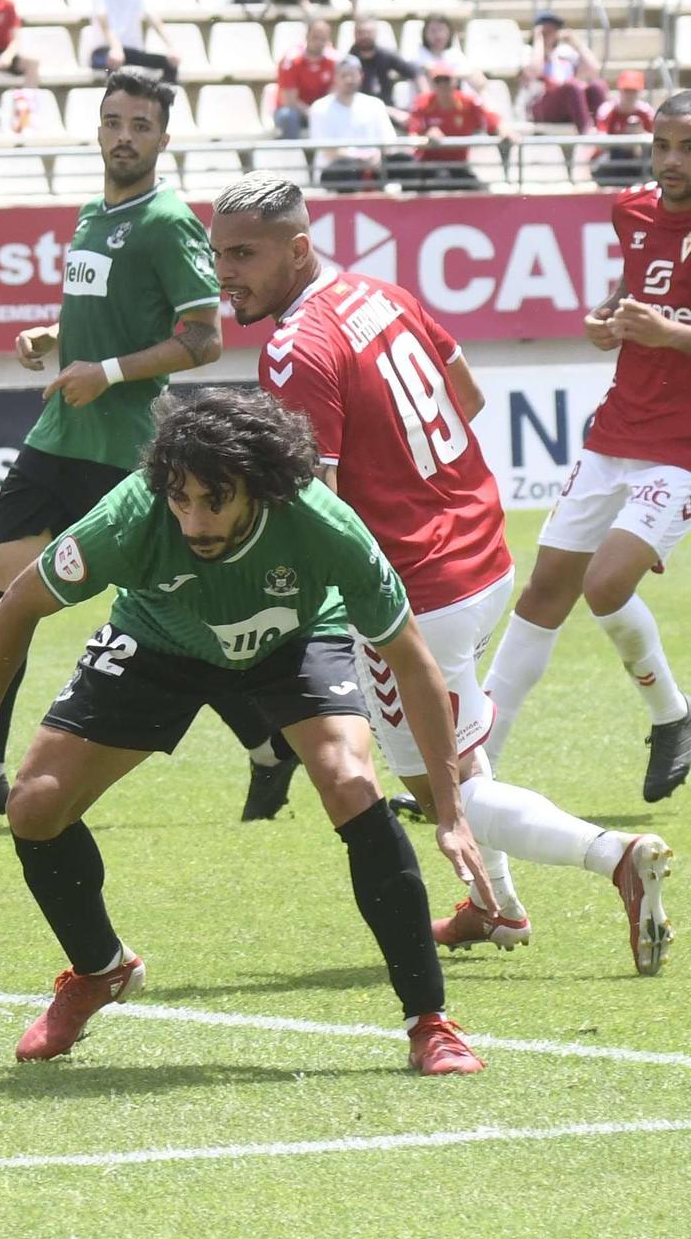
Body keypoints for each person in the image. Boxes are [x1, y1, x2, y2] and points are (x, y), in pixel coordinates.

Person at [0, 387, 489, 1074]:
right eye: (180, 499)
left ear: (262, 488)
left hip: (297, 635)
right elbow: (17, 605)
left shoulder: (321, 524)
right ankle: (100, 968)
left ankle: (429, 1021)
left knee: (349, 780)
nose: (194, 520)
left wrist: (452, 812)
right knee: (35, 804)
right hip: (161, 636)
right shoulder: (131, 515)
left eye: (214, 500)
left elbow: (413, 662)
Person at [212, 172, 674, 976]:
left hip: (416, 593)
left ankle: (616, 855)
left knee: (440, 789)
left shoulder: (294, 350)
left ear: (297, 248)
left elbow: (314, 503)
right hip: (482, 547)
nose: (227, 273)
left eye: (244, 255)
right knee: (458, 745)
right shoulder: (378, 292)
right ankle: (495, 907)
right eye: (218, 254)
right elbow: (467, 393)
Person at [0, 69, 295, 831]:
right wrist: (58, 338)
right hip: (59, 433)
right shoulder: (92, 213)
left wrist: (107, 370)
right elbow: (112, 310)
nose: (124, 135)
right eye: (113, 120)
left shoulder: (169, 221)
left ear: (162, 138)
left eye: (140, 125)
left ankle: (266, 738)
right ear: (96, 129)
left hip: (124, 448)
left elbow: (203, 339)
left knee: (168, 605)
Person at [483, 91, 691, 807]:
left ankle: (672, 713)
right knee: (543, 593)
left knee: (606, 584)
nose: (669, 161)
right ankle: (472, 763)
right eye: (661, 144)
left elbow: (668, 320)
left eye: (686, 148)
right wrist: (606, 319)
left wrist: (667, 334)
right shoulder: (631, 209)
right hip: (616, 429)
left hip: (681, 446)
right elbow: (633, 290)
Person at [405, 63, 509, 191]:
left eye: (446, 80)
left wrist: (502, 130)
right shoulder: (423, 103)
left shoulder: (468, 103)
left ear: (454, 82)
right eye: (438, 81)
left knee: (479, 191)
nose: (443, 85)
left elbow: (490, 119)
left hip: (459, 165)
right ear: (432, 84)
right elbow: (413, 136)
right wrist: (428, 138)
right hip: (428, 166)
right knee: (440, 183)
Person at [310, 54, 398, 190]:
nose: (348, 80)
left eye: (352, 74)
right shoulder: (319, 108)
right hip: (337, 173)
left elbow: (389, 142)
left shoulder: (375, 104)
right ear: (335, 78)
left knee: (403, 161)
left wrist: (377, 156)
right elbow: (328, 151)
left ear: (361, 76)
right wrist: (361, 159)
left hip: (374, 168)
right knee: (345, 168)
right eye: (343, 75)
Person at [89, 0, 177, 84]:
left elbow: (153, 19)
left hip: (132, 54)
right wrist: (116, 48)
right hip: (103, 53)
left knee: (170, 64)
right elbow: (104, 24)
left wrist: (171, 47)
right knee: (114, 64)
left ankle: (160, 100)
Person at [524, 12, 606, 131]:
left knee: (597, 86)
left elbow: (594, 70)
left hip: (567, 104)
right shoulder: (528, 52)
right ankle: (586, 133)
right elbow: (533, 72)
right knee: (572, 87)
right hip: (540, 105)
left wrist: (576, 43)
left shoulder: (564, 53)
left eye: (554, 30)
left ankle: (604, 130)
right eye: (546, 30)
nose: (550, 33)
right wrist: (539, 39)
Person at [348, 14, 419, 129]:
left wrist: (424, 103)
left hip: (388, 114)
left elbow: (415, 72)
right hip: (358, 114)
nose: (365, 36)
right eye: (361, 33)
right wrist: (387, 110)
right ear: (354, 34)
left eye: (369, 32)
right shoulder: (349, 61)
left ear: (375, 33)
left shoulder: (385, 55)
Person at [273, 16, 336, 140]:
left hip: (322, 112)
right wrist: (311, 112)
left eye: (323, 39)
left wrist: (319, 112)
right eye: (315, 37)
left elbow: (334, 94)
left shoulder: (334, 61)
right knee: (288, 116)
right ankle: (291, 156)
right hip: (297, 112)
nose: (318, 42)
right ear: (307, 36)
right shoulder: (290, 61)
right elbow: (289, 101)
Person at [593, 71, 655, 189]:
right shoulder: (608, 110)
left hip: (638, 158)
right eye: (626, 91)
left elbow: (658, 141)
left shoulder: (646, 112)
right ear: (620, 91)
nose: (629, 95)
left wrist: (641, 134)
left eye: (634, 91)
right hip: (613, 158)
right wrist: (623, 138)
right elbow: (600, 144)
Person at [409, 15, 481, 93]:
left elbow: (477, 79)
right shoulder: (418, 53)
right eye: (433, 31)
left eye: (441, 30)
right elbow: (434, 72)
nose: (438, 35)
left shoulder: (455, 53)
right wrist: (457, 75)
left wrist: (453, 74)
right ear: (425, 33)